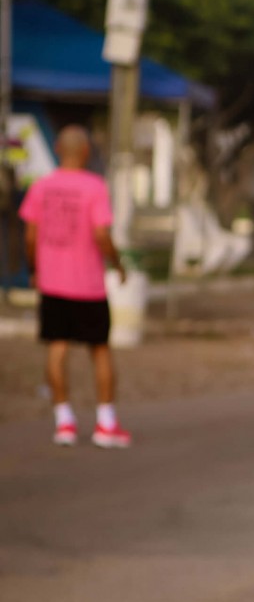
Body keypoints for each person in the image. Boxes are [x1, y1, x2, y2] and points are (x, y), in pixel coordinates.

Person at [19, 125, 131, 448]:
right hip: (88, 285)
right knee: (100, 349)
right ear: (85, 152)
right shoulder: (95, 187)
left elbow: (30, 236)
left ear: (58, 149)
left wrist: (35, 269)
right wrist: (117, 263)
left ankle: (64, 422)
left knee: (57, 347)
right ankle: (106, 423)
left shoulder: (41, 187)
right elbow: (101, 234)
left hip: (52, 283)